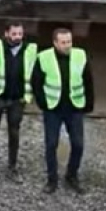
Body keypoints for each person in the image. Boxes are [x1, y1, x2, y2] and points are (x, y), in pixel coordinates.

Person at [30, 27, 94, 194]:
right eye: (63, 42)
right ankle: (52, 179)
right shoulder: (44, 58)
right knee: (51, 144)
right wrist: (42, 103)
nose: (67, 45)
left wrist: (89, 103)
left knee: (78, 144)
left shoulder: (80, 55)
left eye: (69, 41)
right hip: (53, 108)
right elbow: (36, 82)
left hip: (74, 107)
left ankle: (71, 175)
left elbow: (88, 80)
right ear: (55, 43)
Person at [0, 22, 36, 178]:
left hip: (17, 99)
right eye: (14, 34)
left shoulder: (30, 50)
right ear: (6, 34)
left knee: (14, 133)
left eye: (20, 33)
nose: (17, 37)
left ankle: (12, 167)